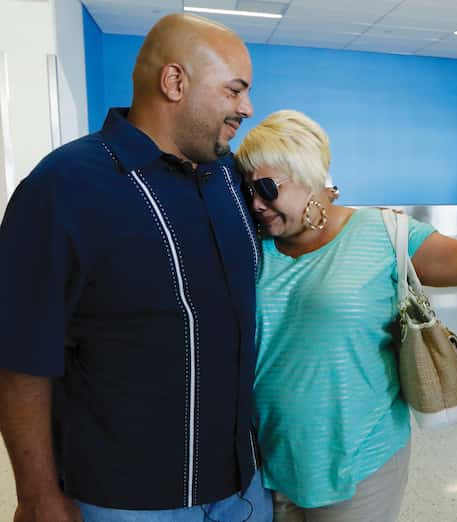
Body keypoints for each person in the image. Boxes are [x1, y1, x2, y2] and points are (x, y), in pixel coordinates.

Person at [0, 14, 273, 521]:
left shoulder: (232, 181)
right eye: (235, 91)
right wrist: (37, 494)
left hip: (240, 487)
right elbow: (21, 358)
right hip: (125, 499)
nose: (247, 108)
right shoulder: (63, 188)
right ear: (174, 82)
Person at [234, 109, 457, 522]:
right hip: (268, 463)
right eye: (246, 191)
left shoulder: (380, 233)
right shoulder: (250, 246)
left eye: (266, 188)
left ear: (307, 174)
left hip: (360, 462)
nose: (257, 204)